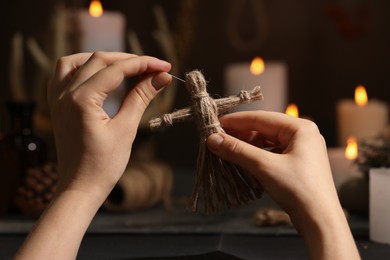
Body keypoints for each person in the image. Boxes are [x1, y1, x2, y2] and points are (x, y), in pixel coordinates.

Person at [14, 52, 360, 260]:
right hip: (212, 141)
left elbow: (227, 103)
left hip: (215, 137)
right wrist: (328, 222)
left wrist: (77, 190)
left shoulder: (207, 102)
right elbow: (186, 115)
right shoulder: (198, 104)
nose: (196, 87)